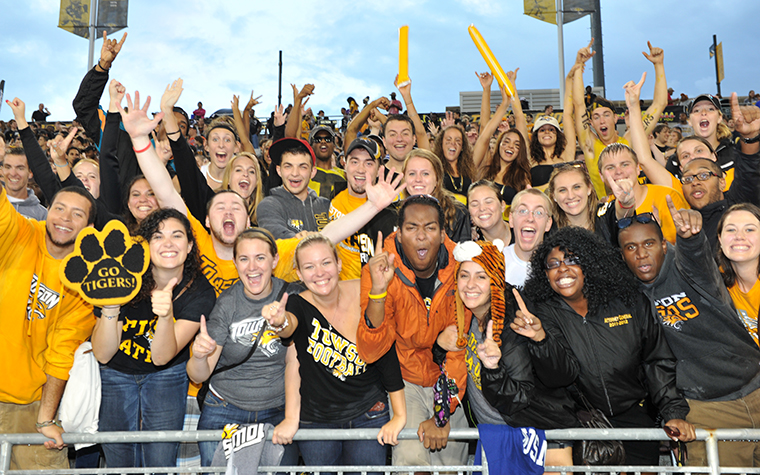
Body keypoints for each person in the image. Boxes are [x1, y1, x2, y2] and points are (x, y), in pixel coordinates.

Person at [515, 226, 695, 465]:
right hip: (580, 423)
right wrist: (541, 339)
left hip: (636, 416)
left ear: (588, 265)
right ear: (545, 274)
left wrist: (673, 413)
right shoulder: (542, 313)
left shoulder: (628, 301)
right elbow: (556, 377)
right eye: (553, 264)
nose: (563, 269)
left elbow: (656, 360)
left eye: (572, 260)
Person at [619, 199, 760, 468]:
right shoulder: (628, 298)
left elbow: (698, 261)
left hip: (756, 387)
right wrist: (672, 412)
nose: (640, 254)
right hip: (707, 408)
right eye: (630, 248)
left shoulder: (684, 268)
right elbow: (653, 363)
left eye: (648, 244)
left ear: (663, 245)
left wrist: (689, 238)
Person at [264, 234, 407, 474]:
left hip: (368, 412)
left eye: (326, 263)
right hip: (316, 420)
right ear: (299, 274)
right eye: (309, 266)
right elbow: (290, 343)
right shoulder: (296, 304)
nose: (319, 272)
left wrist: (400, 415)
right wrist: (278, 323)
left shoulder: (364, 291)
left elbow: (385, 351)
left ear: (339, 264)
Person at [91, 209, 216, 471]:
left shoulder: (200, 291)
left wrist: (165, 314)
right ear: (145, 245)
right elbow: (102, 354)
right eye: (157, 236)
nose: (168, 243)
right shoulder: (123, 275)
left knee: (160, 459)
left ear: (190, 245)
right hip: (116, 372)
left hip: (167, 375)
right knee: (119, 458)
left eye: (177, 235)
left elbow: (161, 357)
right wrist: (112, 305)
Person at [357, 195, 469, 470]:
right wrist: (378, 291)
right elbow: (371, 349)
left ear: (443, 234)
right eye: (411, 228)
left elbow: (458, 348)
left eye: (430, 228)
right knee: (412, 464)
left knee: (452, 467)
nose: (421, 236)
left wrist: (442, 414)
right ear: (399, 232)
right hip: (403, 379)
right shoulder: (379, 269)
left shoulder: (460, 270)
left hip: (447, 379)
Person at [454, 240, 577, 472]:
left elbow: (518, 398)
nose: (471, 285)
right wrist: (440, 347)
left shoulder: (514, 320)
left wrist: (492, 369)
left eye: (481, 276)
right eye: (464, 275)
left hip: (541, 430)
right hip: (496, 433)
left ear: (496, 280)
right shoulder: (462, 315)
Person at [0, 184, 96, 470]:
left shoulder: (85, 280)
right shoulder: (20, 232)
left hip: (27, 405)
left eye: (77, 214)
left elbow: (61, 353)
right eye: (59, 208)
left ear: (89, 227)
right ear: (47, 211)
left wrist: (45, 418)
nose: (65, 219)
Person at [187, 228, 301, 468]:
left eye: (260, 257)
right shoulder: (227, 303)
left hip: (278, 409)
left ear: (275, 260)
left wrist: (283, 321)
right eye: (244, 259)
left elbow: (295, 346)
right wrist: (198, 356)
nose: (252, 267)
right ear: (235, 263)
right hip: (224, 408)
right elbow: (199, 374)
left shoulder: (293, 295)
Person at [574, 39, 669, 197]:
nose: (602, 121)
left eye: (606, 115)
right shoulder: (589, 144)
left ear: (615, 118)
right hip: (602, 212)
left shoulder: (630, 141)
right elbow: (578, 105)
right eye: (596, 117)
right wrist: (578, 66)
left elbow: (660, 104)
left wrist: (659, 65)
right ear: (590, 123)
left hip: (634, 208)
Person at [330, 137, 400, 280]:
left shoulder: (389, 213)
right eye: (355, 162)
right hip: (335, 288)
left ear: (379, 169)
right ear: (344, 164)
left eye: (368, 163)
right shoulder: (334, 196)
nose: (360, 169)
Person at [257, 137, 331, 239]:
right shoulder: (268, 206)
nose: (295, 173)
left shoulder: (326, 205)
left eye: (302, 167)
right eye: (288, 166)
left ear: (313, 172)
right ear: (279, 170)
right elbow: (277, 237)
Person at [401, 148, 472, 242]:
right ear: (404, 178)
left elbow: (463, 254)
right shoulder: (395, 213)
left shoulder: (458, 213)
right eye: (412, 173)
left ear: (437, 179)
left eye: (425, 174)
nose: (418, 179)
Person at [716, 203, 760, 347]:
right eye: (731, 230)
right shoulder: (718, 281)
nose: (739, 236)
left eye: (749, 229)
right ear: (720, 240)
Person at [504, 189, 553, 286]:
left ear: (548, 223)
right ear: (511, 219)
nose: (530, 218)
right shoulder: (496, 262)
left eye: (539, 213)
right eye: (522, 211)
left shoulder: (557, 267)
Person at [432, 124, 476, 202]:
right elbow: (420, 134)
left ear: (462, 146)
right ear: (441, 143)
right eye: (448, 139)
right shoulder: (434, 166)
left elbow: (485, 138)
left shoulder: (469, 168)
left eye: (458, 140)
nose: (453, 143)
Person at [2, 146, 47, 220]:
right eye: (8, 167)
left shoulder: (42, 215)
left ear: (30, 173)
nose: (13, 173)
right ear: (2, 170)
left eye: (20, 168)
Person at [467, 179, 511, 246]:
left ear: (502, 205)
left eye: (488, 202)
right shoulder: (470, 248)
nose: (482, 208)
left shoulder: (521, 233)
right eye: (475, 204)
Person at [307, 124, 346, 198]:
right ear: (311, 146)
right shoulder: (305, 173)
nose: (323, 142)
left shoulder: (344, 175)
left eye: (328, 139)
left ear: (334, 146)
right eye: (318, 139)